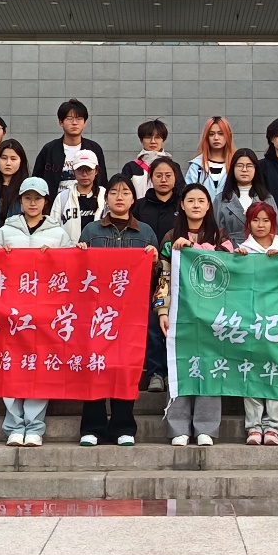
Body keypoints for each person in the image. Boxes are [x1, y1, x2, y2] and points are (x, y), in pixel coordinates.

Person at [0, 177, 76, 447]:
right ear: (20, 200)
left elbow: (71, 269)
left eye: (37, 198)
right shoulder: (5, 231)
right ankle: (14, 426)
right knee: (12, 366)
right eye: (27, 198)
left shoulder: (59, 234)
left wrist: (57, 257)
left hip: (44, 313)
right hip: (11, 312)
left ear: (45, 202)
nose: (32, 203)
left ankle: (35, 426)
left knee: (40, 367)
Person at [78, 174, 158, 446]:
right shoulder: (91, 231)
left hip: (130, 314)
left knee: (125, 368)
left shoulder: (145, 233)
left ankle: (123, 427)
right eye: (114, 192)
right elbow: (80, 274)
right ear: (106, 198)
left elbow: (157, 278)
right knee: (96, 366)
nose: (119, 197)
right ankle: (92, 428)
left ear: (133, 199)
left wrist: (154, 260)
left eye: (125, 192)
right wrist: (79, 253)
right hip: (97, 312)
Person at [155, 183, 233, 446]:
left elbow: (230, 266)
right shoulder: (170, 237)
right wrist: (162, 311)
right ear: (182, 205)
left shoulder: (220, 235)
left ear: (209, 205)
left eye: (201, 200)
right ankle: (178, 427)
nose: (196, 205)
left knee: (210, 367)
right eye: (190, 200)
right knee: (180, 366)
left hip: (213, 314)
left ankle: (206, 428)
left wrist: (195, 248)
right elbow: (163, 276)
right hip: (180, 313)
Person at [233, 201, 278, 445]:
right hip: (251, 317)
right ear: (248, 223)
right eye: (255, 220)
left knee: (275, 369)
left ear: (273, 223)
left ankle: (273, 425)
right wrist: (238, 262)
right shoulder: (242, 250)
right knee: (251, 369)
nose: (261, 225)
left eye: (266, 220)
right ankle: (254, 426)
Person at [133, 157, 182, 393]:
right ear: (151, 178)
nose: (163, 180)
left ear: (175, 178)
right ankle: (155, 372)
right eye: (158, 175)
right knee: (153, 325)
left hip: (178, 275)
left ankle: (175, 372)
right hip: (148, 276)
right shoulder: (140, 206)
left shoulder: (183, 204)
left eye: (168, 175)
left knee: (175, 326)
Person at [34, 98, 108, 200]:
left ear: (85, 122)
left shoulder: (94, 149)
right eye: (69, 118)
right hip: (55, 204)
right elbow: (37, 181)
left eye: (79, 118)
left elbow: (102, 180)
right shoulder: (49, 150)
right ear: (61, 122)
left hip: (88, 204)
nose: (74, 123)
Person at [214, 148, 272, 245]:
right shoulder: (221, 199)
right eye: (239, 165)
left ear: (256, 169)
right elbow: (214, 232)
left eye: (249, 166)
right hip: (229, 249)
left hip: (261, 249)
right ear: (233, 168)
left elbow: (275, 231)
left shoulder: (266, 198)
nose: (244, 170)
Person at [49, 150, 106, 242]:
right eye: (80, 170)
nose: (84, 174)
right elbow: (53, 229)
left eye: (89, 170)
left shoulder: (105, 196)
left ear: (96, 171)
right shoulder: (63, 197)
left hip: (98, 249)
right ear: (73, 171)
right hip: (70, 249)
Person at [185, 115, 235, 200]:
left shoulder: (236, 164)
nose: (216, 138)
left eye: (221, 134)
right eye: (211, 134)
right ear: (206, 137)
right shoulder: (197, 166)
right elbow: (188, 195)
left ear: (228, 136)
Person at [121, 118, 172, 199]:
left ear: (163, 141)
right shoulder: (130, 167)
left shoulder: (172, 167)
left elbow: (179, 192)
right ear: (141, 141)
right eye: (148, 137)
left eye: (157, 137)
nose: (153, 141)